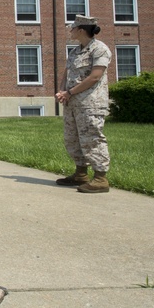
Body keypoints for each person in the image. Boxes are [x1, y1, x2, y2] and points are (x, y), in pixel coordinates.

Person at [56, 15, 113, 193]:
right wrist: (61, 91)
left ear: (81, 30)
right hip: (72, 103)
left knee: (92, 138)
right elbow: (67, 73)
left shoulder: (99, 49)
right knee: (72, 138)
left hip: (90, 104)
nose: (70, 30)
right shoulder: (75, 51)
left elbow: (95, 76)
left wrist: (70, 92)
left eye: (72, 28)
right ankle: (80, 174)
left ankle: (100, 178)